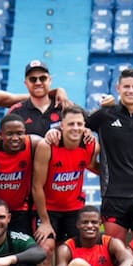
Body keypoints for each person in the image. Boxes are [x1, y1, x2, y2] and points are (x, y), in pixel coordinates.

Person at [83, 67, 133, 242]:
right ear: (118, 88)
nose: (131, 91)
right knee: (115, 251)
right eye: (126, 87)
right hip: (114, 196)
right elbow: (78, 127)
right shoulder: (104, 115)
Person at [33, 105, 100, 251]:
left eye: (79, 124)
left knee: (73, 251)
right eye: (71, 124)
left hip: (74, 209)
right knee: (45, 249)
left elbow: (92, 165)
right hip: (48, 209)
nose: (75, 128)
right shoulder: (47, 146)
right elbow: (36, 186)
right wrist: (45, 221)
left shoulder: (92, 145)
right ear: (61, 125)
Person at [0, 112, 43, 235]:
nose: (15, 138)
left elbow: (57, 141)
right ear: (0, 135)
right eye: (10, 134)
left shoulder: (33, 143)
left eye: (19, 133)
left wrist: (57, 130)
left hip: (20, 210)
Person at [5, 60, 68, 138]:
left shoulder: (65, 107)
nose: (38, 83)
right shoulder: (16, 112)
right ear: (26, 83)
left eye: (43, 78)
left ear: (50, 80)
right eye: (33, 79)